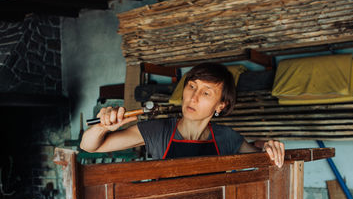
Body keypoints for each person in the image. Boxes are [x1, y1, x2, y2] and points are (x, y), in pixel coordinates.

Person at [80, 62, 285, 167]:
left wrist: (268, 147)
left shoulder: (228, 138)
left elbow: (260, 156)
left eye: (206, 92)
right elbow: (89, 146)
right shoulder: (159, 130)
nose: (193, 97)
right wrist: (102, 126)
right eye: (191, 86)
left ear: (221, 105)